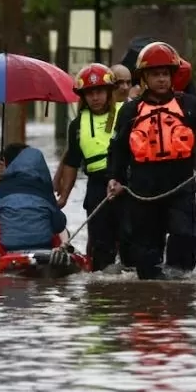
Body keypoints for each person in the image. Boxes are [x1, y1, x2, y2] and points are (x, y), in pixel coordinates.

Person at [107, 41, 196, 280]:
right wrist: (114, 178)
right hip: (143, 190)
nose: (161, 79)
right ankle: (152, 290)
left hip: (180, 186)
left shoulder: (189, 105)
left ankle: (178, 290)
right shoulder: (130, 111)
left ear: (173, 75)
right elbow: (118, 150)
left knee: (185, 240)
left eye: (165, 74)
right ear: (144, 77)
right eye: (155, 74)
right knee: (146, 256)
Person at [56, 63, 126, 272]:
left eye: (99, 92)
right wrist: (64, 196)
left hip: (126, 184)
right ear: (83, 96)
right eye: (90, 93)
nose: (95, 97)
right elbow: (72, 162)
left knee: (131, 241)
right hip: (96, 187)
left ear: (109, 92)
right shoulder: (77, 125)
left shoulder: (126, 113)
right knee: (100, 247)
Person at [0, 143, 67, 251]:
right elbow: (59, 224)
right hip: (43, 245)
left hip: (10, 245)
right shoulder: (43, 187)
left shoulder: (2, 189)